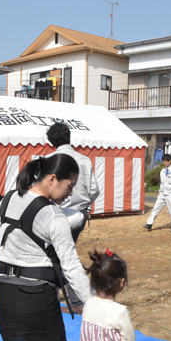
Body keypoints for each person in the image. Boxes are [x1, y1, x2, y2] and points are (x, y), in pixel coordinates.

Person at [0, 154, 93, 341]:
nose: (70, 193)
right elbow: (71, 266)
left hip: (2, 287)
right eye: (69, 186)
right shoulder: (51, 216)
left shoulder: (11, 197)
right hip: (33, 291)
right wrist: (94, 304)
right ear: (52, 179)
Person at [46, 121, 100, 314]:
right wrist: (84, 205)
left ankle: (73, 298)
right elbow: (94, 190)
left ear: (51, 140)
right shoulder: (84, 159)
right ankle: (75, 297)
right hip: (79, 214)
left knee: (58, 256)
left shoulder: (49, 159)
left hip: (56, 214)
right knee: (62, 254)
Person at [143, 154, 171, 232]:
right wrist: (160, 191)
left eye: (165, 161)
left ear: (169, 161)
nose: (164, 163)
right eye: (163, 161)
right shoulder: (163, 171)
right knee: (156, 208)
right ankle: (149, 224)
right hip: (162, 193)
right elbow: (162, 182)